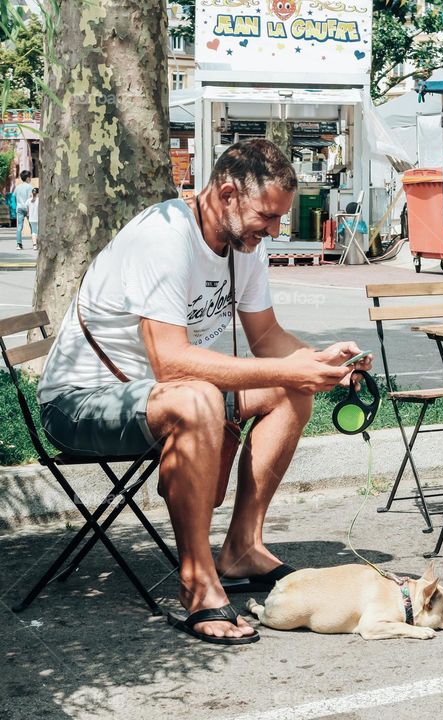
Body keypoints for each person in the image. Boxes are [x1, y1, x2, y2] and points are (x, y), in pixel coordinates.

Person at [37, 139, 373, 645]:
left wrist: (322, 363)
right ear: (227, 192)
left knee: (288, 391)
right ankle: (196, 582)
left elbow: (266, 338)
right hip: (82, 402)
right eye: (267, 215)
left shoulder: (244, 243)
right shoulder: (165, 237)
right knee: (198, 397)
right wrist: (285, 369)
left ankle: (242, 548)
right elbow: (168, 362)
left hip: (164, 397)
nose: (275, 230)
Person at [14, 170, 32, 250]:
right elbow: (30, 198)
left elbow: (14, 196)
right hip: (27, 208)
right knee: (32, 226)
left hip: (19, 208)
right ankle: (35, 243)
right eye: (30, 177)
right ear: (28, 178)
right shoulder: (29, 186)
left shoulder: (17, 187)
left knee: (19, 227)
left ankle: (19, 244)